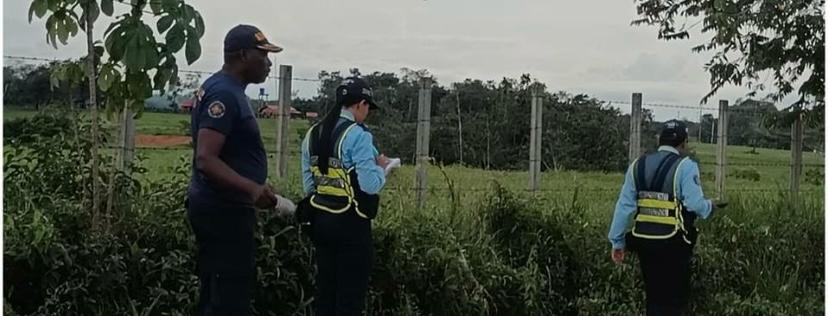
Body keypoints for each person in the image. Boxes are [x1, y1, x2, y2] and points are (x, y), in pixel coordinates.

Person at [186, 24, 293, 316]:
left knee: (216, 291)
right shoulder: (225, 94)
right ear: (244, 55)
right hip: (223, 212)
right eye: (264, 55)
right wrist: (251, 188)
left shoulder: (225, 88)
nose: (269, 63)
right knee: (229, 298)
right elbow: (205, 159)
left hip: (222, 207)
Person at [607, 119, 724, 316]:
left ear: (660, 140)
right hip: (673, 244)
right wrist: (709, 207)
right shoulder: (686, 166)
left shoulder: (638, 165)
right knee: (675, 302)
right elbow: (694, 204)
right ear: (684, 143)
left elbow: (624, 206)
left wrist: (617, 242)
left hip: (643, 241)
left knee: (654, 299)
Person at [298, 77, 389, 316]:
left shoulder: (313, 134)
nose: (367, 113)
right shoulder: (359, 136)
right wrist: (383, 168)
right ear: (360, 104)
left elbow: (309, 186)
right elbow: (369, 186)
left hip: (321, 222)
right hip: (352, 225)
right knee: (349, 298)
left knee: (326, 292)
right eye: (367, 107)